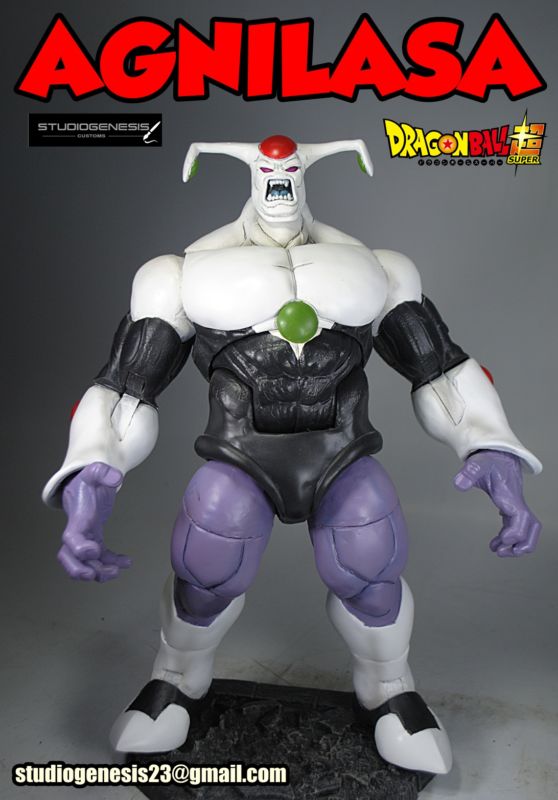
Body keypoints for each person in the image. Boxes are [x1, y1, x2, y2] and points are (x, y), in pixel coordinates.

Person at [43, 135, 541, 774]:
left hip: (341, 451)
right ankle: (176, 677)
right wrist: (90, 469)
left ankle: (390, 688)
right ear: (252, 175)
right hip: (240, 454)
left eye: (290, 167)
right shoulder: (182, 274)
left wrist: (490, 445)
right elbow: (125, 386)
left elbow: (440, 369)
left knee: (370, 564)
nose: (279, 174)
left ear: (305, 173)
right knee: (207, 568)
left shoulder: (377, 269)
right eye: (268, 168)